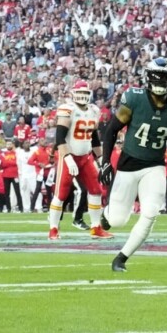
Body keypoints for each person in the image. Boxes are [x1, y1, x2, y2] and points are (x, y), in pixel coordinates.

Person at [100, 57, 167, 272]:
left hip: (154, 166)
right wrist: (105, 163)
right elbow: (112, 129)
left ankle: (121, 258)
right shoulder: (134, 98)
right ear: (148, 78)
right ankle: (107, 215)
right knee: (118, 219)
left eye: (164, 78)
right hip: (128, 164)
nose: (160, 81)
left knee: (151, 212)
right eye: (156, 77)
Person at [47, 80, 107, 240]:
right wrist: (67, 158)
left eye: (86, 93)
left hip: (85, 157)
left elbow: (94, 137)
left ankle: (96, 228)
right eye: (80, 93)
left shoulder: (94, 110)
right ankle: (53, 229)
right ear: (73, 94)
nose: (83, 96)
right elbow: (59, 137)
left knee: (96, 190)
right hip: (69, 155)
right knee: (61, 193)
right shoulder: (68, 109)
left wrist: (100, 158)